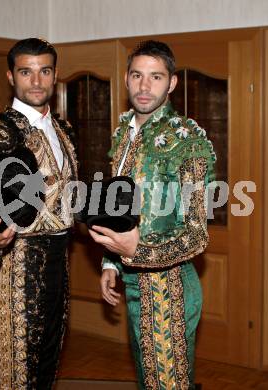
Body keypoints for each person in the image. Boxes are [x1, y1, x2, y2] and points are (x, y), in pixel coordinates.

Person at [88, 40, 216, 390]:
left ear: (171, 83)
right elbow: (120, 214)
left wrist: (136, 252)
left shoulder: (186, 140)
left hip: (169, 288)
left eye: (156, 77)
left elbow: (197, 235)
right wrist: (112, 264)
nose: (145, 87)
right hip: (133, 283)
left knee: (168, 384)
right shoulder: (124, 134)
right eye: (137, 76)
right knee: (150, 381)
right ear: (126, 79)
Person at [0, 38, 77, 390]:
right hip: (17, 263)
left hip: (61, 261)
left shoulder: (65, 131)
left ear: (55, 76)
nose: (36, 81)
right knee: (19, 372)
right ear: (11, 76)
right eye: (26, 72)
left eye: (44, 71)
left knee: (49, 363)